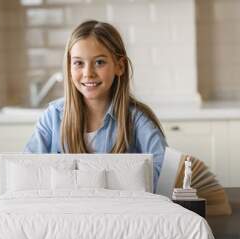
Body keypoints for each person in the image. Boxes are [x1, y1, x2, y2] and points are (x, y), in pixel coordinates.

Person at [24, 20, 167, 193]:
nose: (88, 73)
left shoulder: (137, 120)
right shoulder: (53, 117)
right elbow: (28, 172)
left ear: (119, 66)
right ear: (69, 67)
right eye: (78, 63)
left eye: (99, 62)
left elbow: (165, 175)